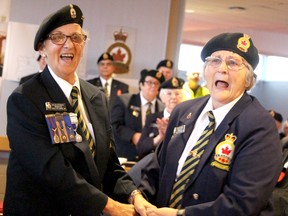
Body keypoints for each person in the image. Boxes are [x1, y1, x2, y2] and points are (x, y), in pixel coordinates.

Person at [4, 4, 151, 215]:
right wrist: (110, 206)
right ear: (42, 48)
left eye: (76, 38)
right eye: (57, 38)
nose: (68, 45)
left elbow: (108, 163)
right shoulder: (26, 98)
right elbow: (51, 169)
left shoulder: (96, 97)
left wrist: (134, 195)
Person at [138, 32, 282, 215]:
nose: (222, 69)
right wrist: (140, 197)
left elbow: (243, 202)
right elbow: (156, 169)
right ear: (206, 70)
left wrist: (179, 215)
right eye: (215, 60)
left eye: (233, 63)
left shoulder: (259, 126)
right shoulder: (183, 112)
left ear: (248, 79)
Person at [111, 69, 165, 161]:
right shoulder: (125, 101)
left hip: (150, 158)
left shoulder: (162, 108)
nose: (153, 86)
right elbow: (114, 124)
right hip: (125, 155)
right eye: (149, 82)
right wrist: (132, 135)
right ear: (141, 85)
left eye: (156, 84)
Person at [136, 77, 185, 159]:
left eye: (177, 94)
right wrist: (160, 137)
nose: (173, 97)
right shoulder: (152, 118)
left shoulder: (188, 119)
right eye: (169, 94)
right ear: (162, 98)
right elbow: (140, 149)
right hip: (154, 164)